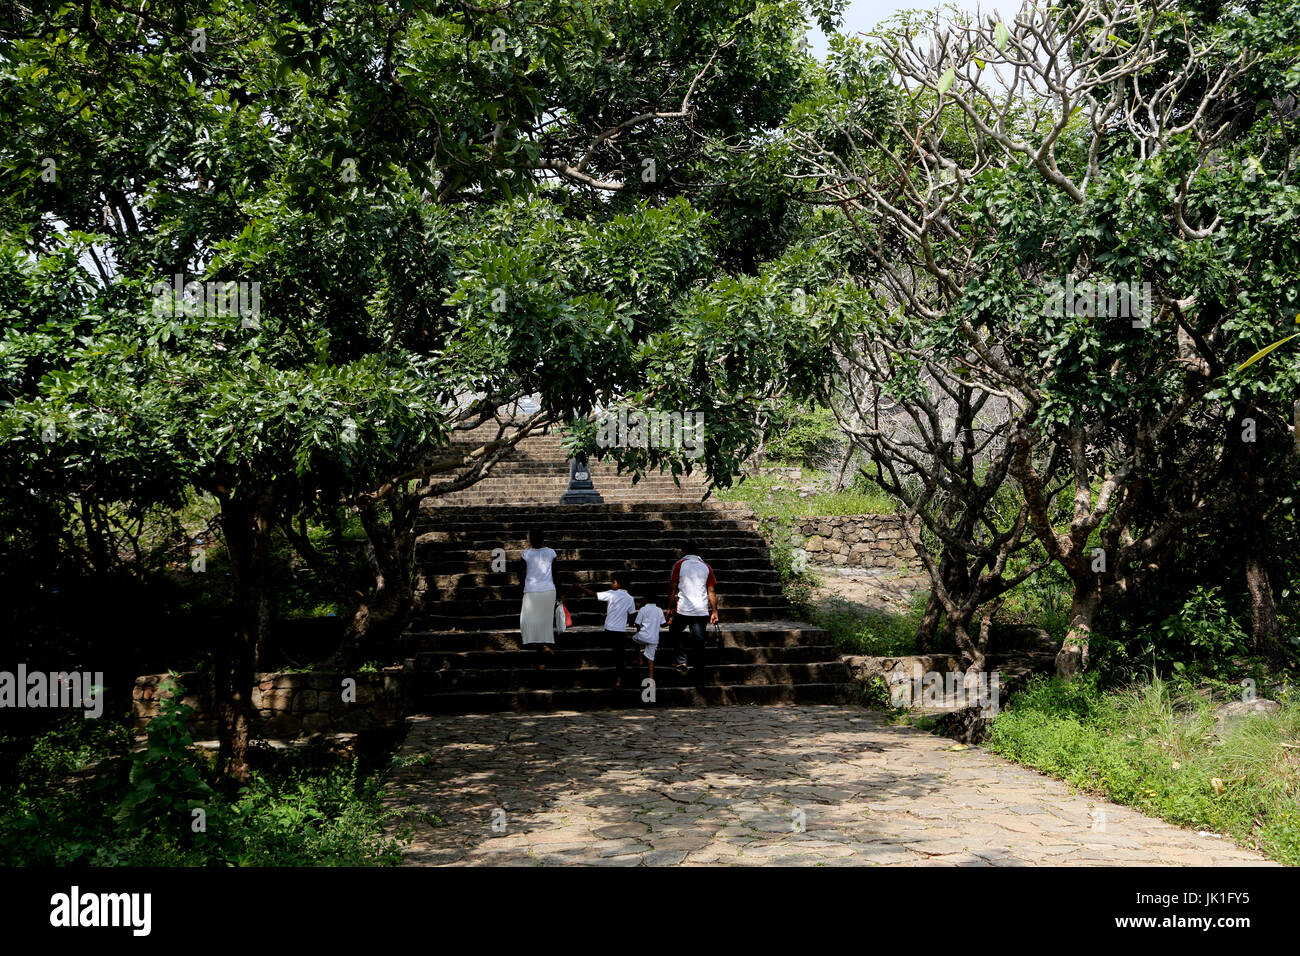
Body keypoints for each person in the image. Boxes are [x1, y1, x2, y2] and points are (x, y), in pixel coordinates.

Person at [573, 571, 636, 687]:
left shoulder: (611, 593)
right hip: (620, 631)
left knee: (609, 652)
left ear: (618, 584)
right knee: (619, 656)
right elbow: (632, 615)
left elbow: (593, 594)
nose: (612, 584)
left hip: (609, 629)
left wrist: (579, 588)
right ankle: (619, 680)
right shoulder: (630, 599)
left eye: (613, 582)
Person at [666, 539, 718, 674]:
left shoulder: (679, 565)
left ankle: (681, 659)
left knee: (675, 631)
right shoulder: (706, 567)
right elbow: (711, 591)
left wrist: (668, 608)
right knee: (699, 638)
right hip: (701, 609)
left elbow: (672, 588)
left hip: (683, 608)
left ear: (684, 551)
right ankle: (699, 665)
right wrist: (714, 612)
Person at [519, 528, 558, 669]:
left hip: (532, 591)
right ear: (543, 539)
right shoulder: (551, 553)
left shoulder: (526, 554)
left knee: (531, 622)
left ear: (530, 539)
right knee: (544, 623)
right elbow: (556, 574)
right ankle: (543, 650)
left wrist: (523, 587)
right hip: (548, 590)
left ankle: (539, 655)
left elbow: (520, 575)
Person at [632, 601, 666, 682]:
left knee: (634, 639)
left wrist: (639, 630)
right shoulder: (659, 610)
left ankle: (640, 660)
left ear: (646, 600)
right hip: (654, 638)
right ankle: (650, 679)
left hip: (643, 636)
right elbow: (663, 624)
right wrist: (669, 622)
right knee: (650, 659)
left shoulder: (643, 609)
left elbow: (637, 623)